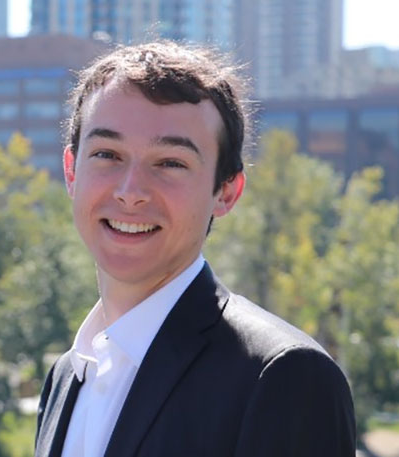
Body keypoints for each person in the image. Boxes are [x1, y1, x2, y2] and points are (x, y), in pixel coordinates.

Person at [34, 41, 356, 457]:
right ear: (71, 172)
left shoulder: (283, 377)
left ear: (226, 191)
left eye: (170, 162)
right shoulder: (66, 377)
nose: (131, 192)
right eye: (107, 154)